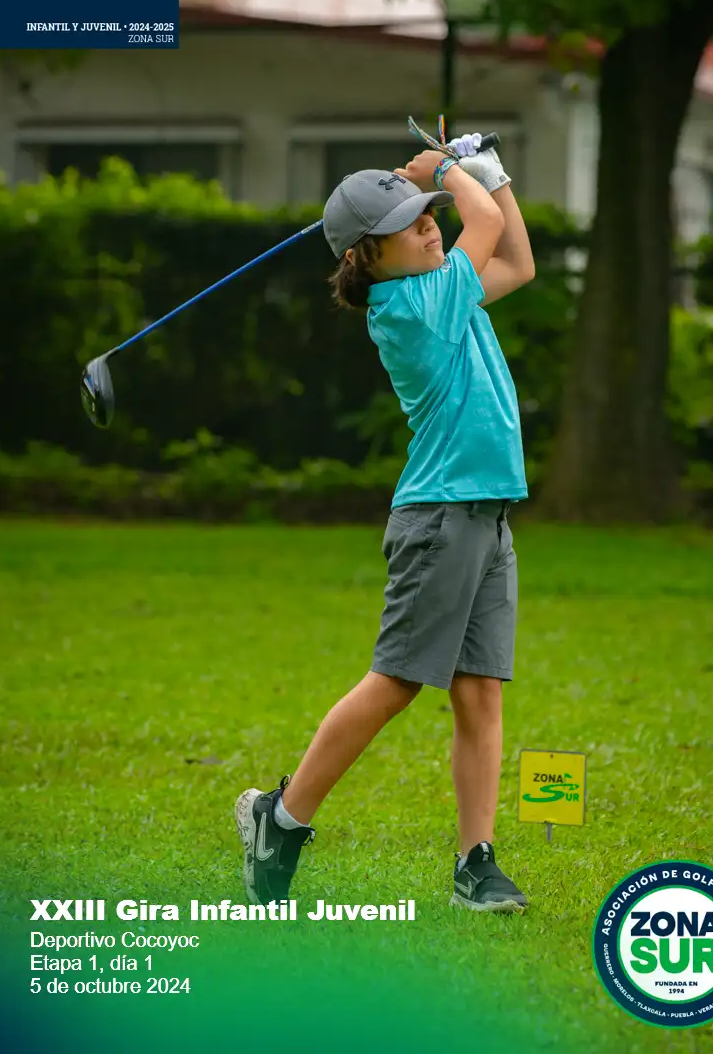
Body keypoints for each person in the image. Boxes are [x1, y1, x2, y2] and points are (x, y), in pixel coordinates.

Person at [235, 132, 535, 912]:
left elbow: (517, 262)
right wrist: (448, 169)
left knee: (480, 692)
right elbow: (486, 228)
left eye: (429, 213)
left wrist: (489, 173)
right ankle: (281, 819)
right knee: (398, 681)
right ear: (367, 257)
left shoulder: (442, 289)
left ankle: (476, 863)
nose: (430, 224)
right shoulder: (412, 305)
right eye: (410, 222)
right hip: (441, 518)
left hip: (484, 513)